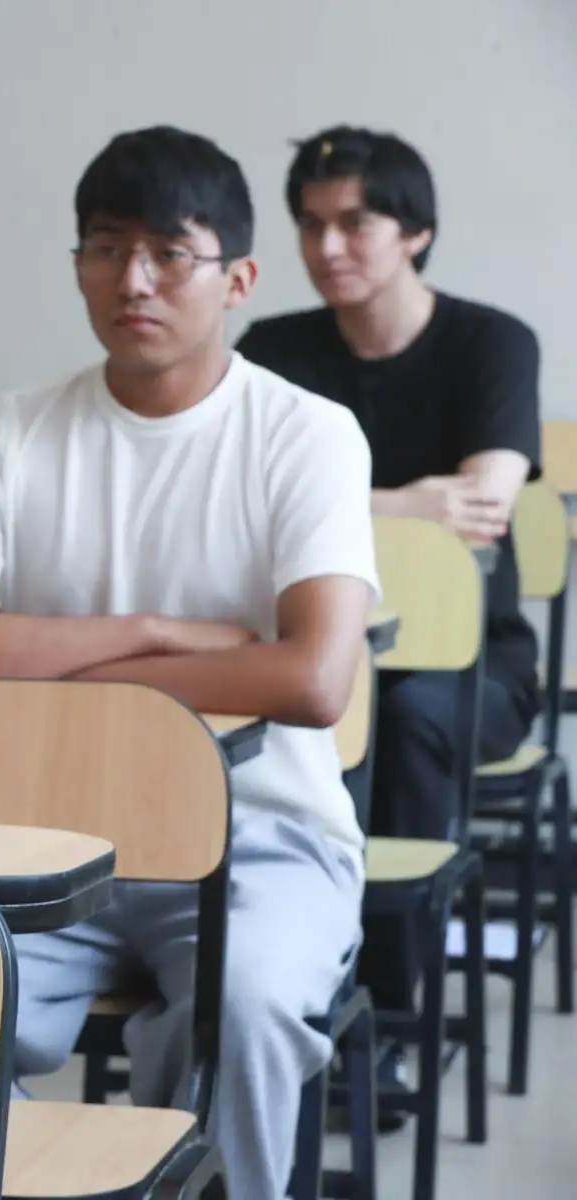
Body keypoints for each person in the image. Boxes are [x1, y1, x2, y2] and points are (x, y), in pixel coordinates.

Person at [0, 127, 377, 1200]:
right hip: (47, 836)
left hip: (262, 840)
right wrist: (160, 633)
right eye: (107, 248)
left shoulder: (307, 434)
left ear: (238, 279)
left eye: (169, 252)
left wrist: (45, 671)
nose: (134, 280)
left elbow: (310, 680)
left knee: (245, 1006)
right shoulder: (12, 429)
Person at [237, 127, 541, 1064]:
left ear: (416, 232)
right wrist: (407, 505)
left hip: (471, 666)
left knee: (403, 721)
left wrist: (325, 504)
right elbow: (238, 501)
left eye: (354, 224)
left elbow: (481, 511)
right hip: (318, 648)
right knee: (258, 717)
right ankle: (265, 991)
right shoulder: (274, 348)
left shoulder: (492, 342)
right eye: (310, 224)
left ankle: (385, 1012)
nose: (327, 247)